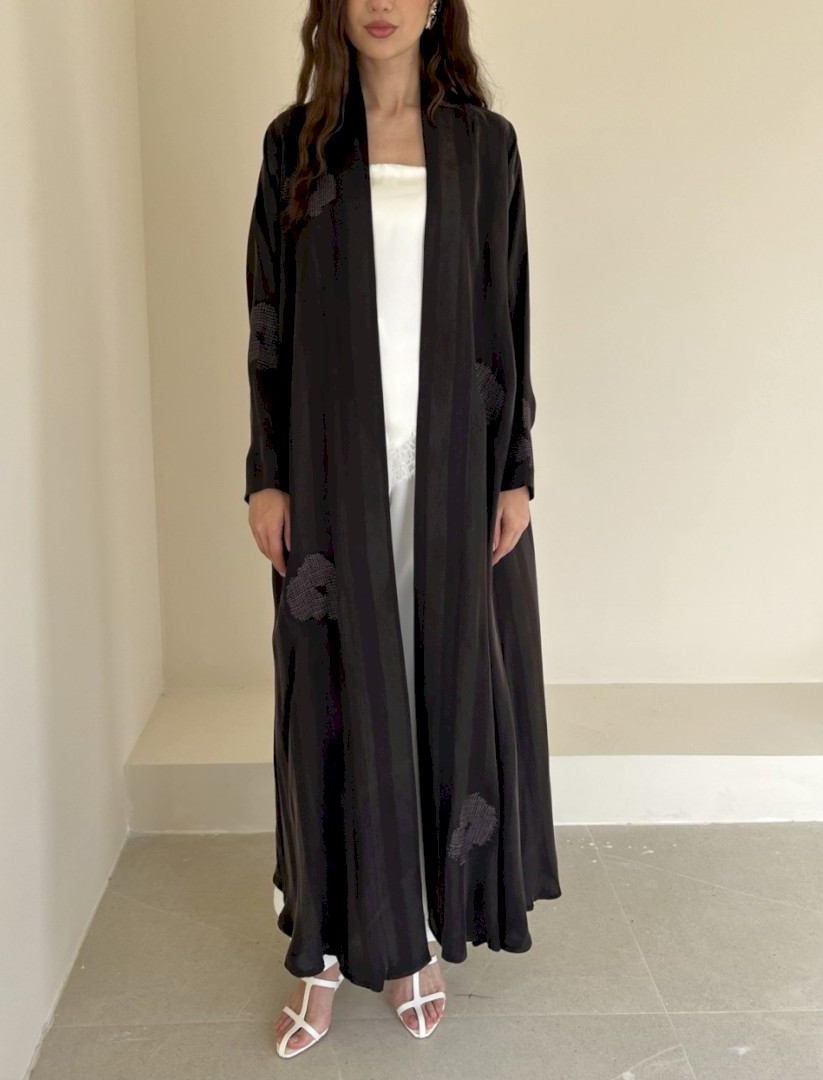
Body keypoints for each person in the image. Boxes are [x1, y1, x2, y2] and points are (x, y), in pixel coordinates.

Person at [243, 0, 562, 1059]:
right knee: (333, 703)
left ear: (434, 6)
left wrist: (515, 471)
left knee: (438, 693)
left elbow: (509, 312)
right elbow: (266, 324)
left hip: (454, 465)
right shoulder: (294, 145)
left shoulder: (484, 147)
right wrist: (266, 476)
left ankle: (416, 939)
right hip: (329, 470)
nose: (381, 3)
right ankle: (325, 948)